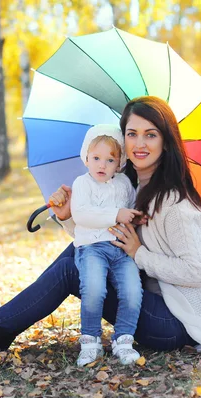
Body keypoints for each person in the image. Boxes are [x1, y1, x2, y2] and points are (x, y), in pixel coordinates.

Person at [0, 96, 201, 364]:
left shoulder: (175, 203)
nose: (139, 143)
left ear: (166, 141)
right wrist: (68, 215)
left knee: (75, 265)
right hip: (155, 302)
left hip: (176, 322)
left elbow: (199, 272)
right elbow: (97, 239)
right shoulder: (130, 188)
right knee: (81, 252)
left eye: (151, 135)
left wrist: (139, 254)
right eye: (132, 134)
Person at [70, 124, 143, 366]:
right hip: (92, 249)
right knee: (93, 289)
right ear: (86, 158)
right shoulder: (82, 183)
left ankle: (123, 340)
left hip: (121, 250)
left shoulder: (123, 184)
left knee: (132, 291)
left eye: (110, 160)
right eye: (96, 158)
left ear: (120, 162)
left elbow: (130, 208)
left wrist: (136, 216)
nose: (102, 165)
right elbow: (81, 215)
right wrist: (115, 214)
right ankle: (90, 341)